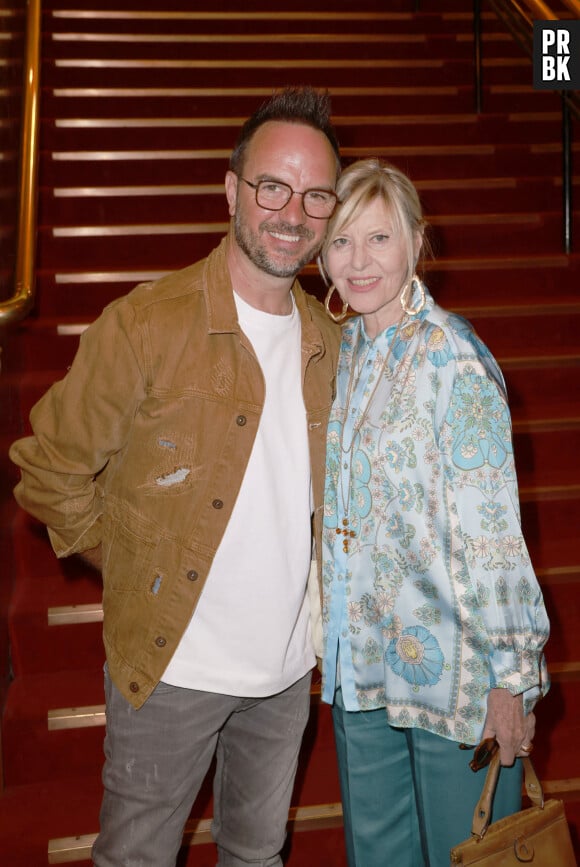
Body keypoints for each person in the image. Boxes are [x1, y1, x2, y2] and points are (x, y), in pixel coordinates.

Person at [9, 87, 341, 867]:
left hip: (286, 671)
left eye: (316, 194)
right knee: (137, 858)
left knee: (257, 854)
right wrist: (134, 558)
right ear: (231, 191)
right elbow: (47, 468)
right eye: (272, 187)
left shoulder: (332, 340)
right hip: (172, 664)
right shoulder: (146, 325)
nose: (292, 212)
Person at [317, 158, 550, 867]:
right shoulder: (351, 347)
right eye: (341, 241)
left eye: (379, 239)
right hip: (363, 666)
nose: (358, 262)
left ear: (418, 243)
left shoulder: (454, 359)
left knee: (467, 855)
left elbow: (494, 537)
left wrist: (513, 678)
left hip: (455, 675)